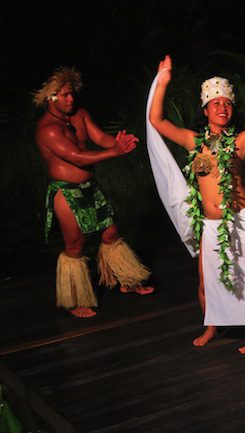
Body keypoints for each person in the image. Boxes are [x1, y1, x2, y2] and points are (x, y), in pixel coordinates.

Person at [146, 54, 245, 354]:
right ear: (206, 110)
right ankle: (212, 326)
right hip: (210, 223)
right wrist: (163, 82)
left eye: (227, 103)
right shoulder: (194, 142)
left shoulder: (241, 141)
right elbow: (157, 120)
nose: (223, 107)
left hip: (242, 218)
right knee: (207, 282)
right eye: (216, 103)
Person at [33, 67, 154, 319]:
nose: (71, 99)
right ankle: (74, 299)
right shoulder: (47, 129)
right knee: (75, 245)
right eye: (65, 95)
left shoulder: (80, 115)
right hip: (66, 193)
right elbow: (76, 156)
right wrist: (114, 153)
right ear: (51, 97)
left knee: (111, 232)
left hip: (90, 187)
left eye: (72, 94)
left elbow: (100, 138)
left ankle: (126, 280)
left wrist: (120, 143)